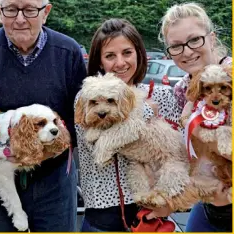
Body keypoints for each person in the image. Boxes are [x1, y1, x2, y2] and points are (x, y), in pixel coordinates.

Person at [0, 0, 87, 231]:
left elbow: (81, 115)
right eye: (11, 9)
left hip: (54, 181)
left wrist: (51, 148)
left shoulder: (68, 52)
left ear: (45, 12)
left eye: (29, 10)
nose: (19, 19)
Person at [75, 18, 181, 232]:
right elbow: (99, 150)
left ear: (139, 54)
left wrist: (171, 202)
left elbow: (176, 153)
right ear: (99, 61)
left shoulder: (160, 94)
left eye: (127, 52)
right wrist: (146, 111)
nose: (120, 63)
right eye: (110, 56)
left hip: (152, 214)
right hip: (103, 217)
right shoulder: (87, 97)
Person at [159, 2, 232, 232]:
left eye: (194, 40)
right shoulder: (182, 89)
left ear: (211, 39)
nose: (187, 52)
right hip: (209, 196)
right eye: (176, 46)